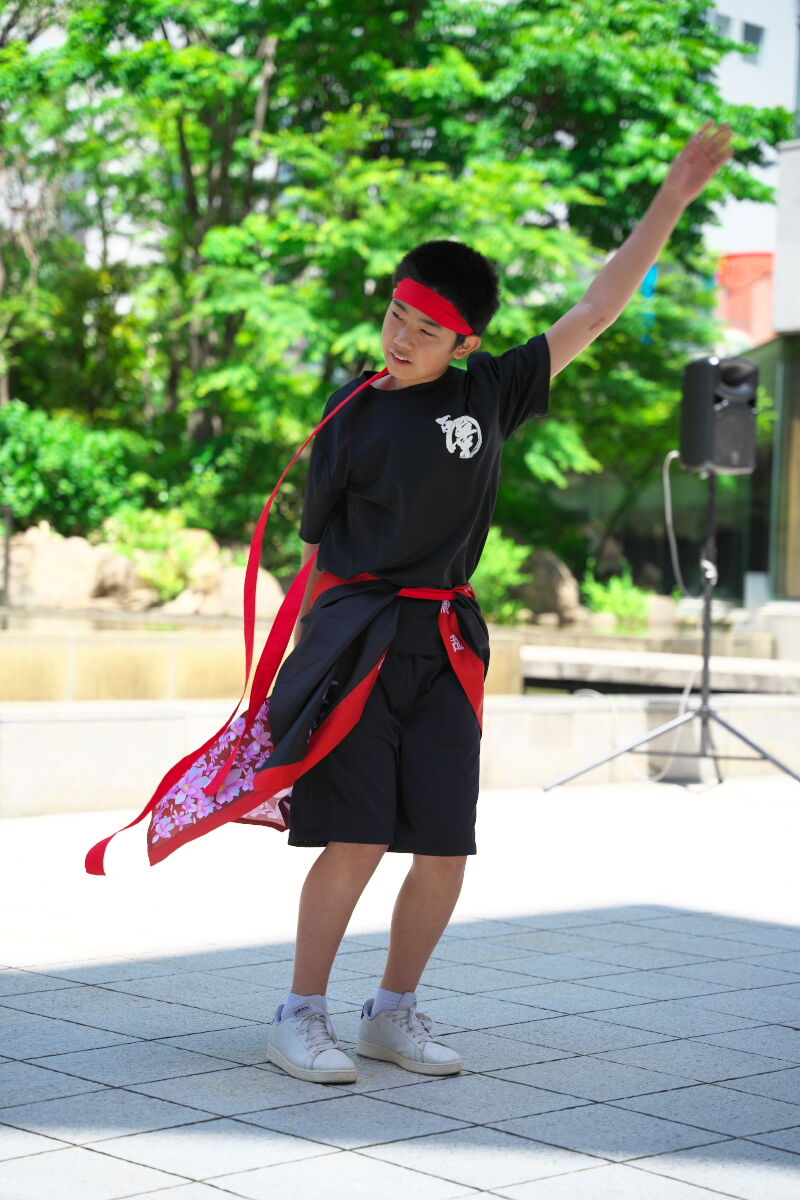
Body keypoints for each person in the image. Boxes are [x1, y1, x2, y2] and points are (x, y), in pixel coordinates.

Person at [265, 120, 734, 1084]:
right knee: (356, 837)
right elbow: (313, 560)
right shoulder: (351, 415)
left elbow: (596, 309)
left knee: (445, 845)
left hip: (445, 644)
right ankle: (300, 1013)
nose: (401, 338)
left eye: (426, 329)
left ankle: (390, 1013)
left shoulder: (491, 392)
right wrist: (288, 681)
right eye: (397, 315)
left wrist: (674, 197)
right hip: (359, 643)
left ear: (464, 341)